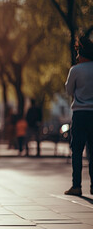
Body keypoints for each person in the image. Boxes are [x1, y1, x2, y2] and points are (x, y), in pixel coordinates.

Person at [64, 27, 93, 196]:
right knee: (92, 151)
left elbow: (69, 90)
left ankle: (77, 186)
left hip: (80, 113)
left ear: (82, 54)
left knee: (77, 150)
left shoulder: (76, 70)